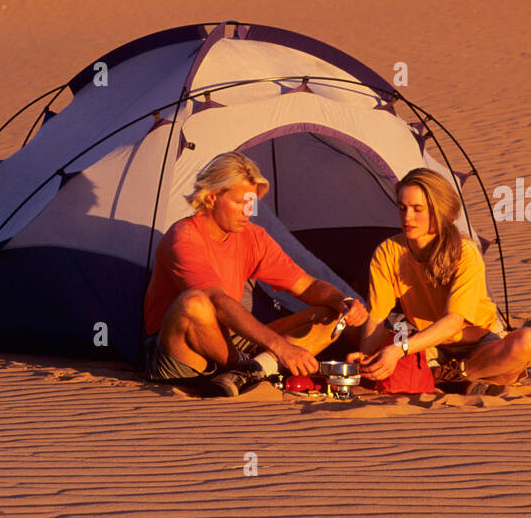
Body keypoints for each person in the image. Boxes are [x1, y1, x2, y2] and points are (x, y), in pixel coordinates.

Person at [142, 150, 368, 396]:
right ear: (211, 197)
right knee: (193, 302)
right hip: (179, 348)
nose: (248, 212)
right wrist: (280, 347)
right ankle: (250, 368)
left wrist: (342, 301)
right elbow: (216, 301)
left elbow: (307, 285)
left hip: (231, 339)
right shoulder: (184, 237)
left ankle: (250, 371)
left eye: (252, 203)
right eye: (240, 203)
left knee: (329, 315)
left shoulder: (252, 236)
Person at [348, 167, 531, 393]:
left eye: (417, 209)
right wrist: (365, 357)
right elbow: (378, 317)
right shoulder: (388, 251)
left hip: (478, 342)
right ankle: (462, 378)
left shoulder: (464, 251)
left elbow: (453, 321)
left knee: (528, 340)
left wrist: (400, 349)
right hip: (427, 344)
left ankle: (456, 374)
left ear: (438, 212)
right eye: (402, 208)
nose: (407, 217)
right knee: (361, 334)